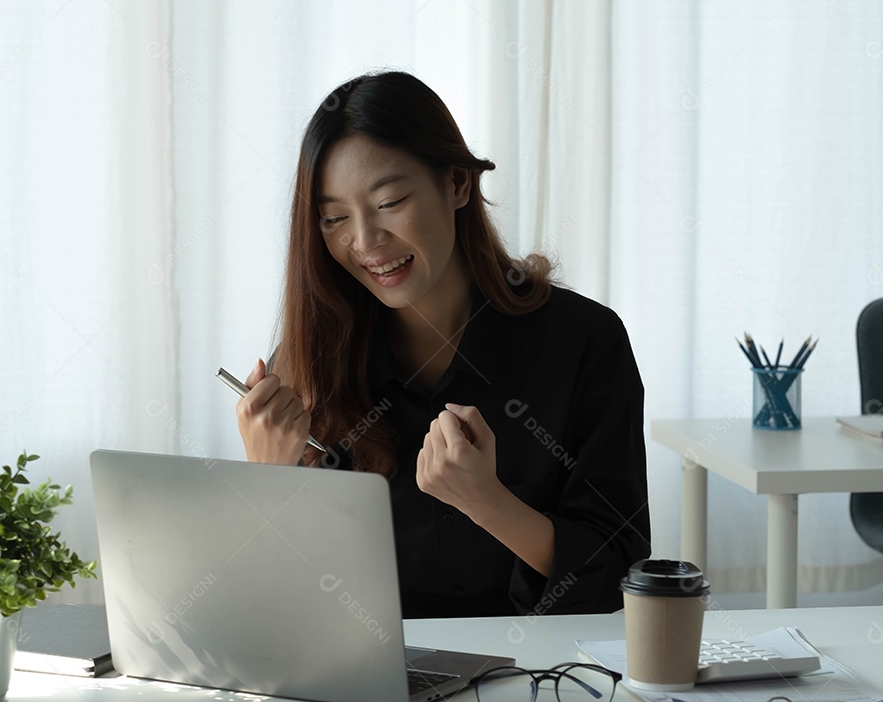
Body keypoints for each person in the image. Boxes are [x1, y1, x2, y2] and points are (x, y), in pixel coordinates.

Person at [236, 70, 649, 619]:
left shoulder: (584, 342)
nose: (365, 242)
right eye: (335, 218)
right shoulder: (310, 364)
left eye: (389, 202)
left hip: (540, 678)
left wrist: (490, 503)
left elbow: (620, 573)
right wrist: (269, 479)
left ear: (457, 184)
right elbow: (279, 612)